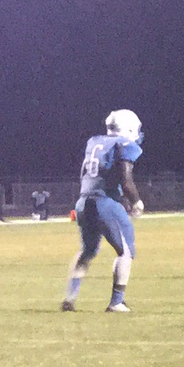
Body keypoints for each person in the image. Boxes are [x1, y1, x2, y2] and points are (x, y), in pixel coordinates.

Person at [63, 109, 145, 312]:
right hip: (105, 202)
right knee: (126, 252)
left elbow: (90, 174)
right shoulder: (124, 144)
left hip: (84, 201)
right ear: (129, 128)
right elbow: (126, 180)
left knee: (88, 250)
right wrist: (136, 201)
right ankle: (116, 302)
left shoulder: (94, 142)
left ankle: (69, 298)